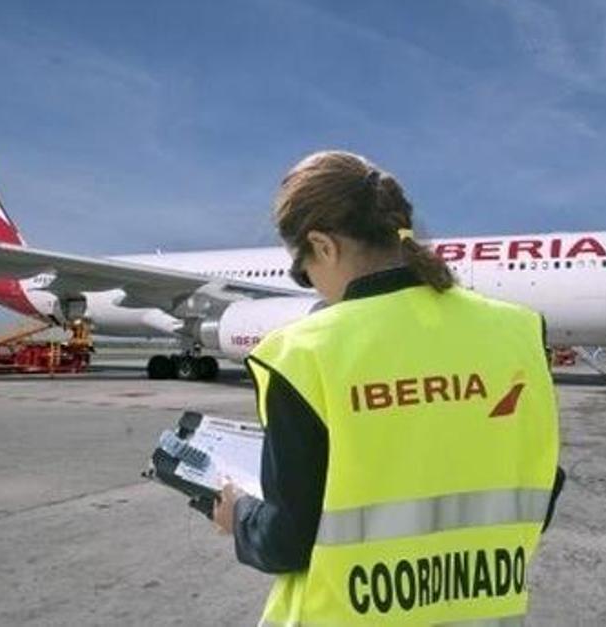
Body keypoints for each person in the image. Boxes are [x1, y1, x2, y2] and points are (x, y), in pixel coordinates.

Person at [207, 151, 564, 625]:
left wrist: (241, 519)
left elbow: (287, 542)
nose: (312, 285)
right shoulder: (519, 332)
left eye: (304, 269)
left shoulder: (302, 354)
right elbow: (541, 483)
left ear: (324, 246)